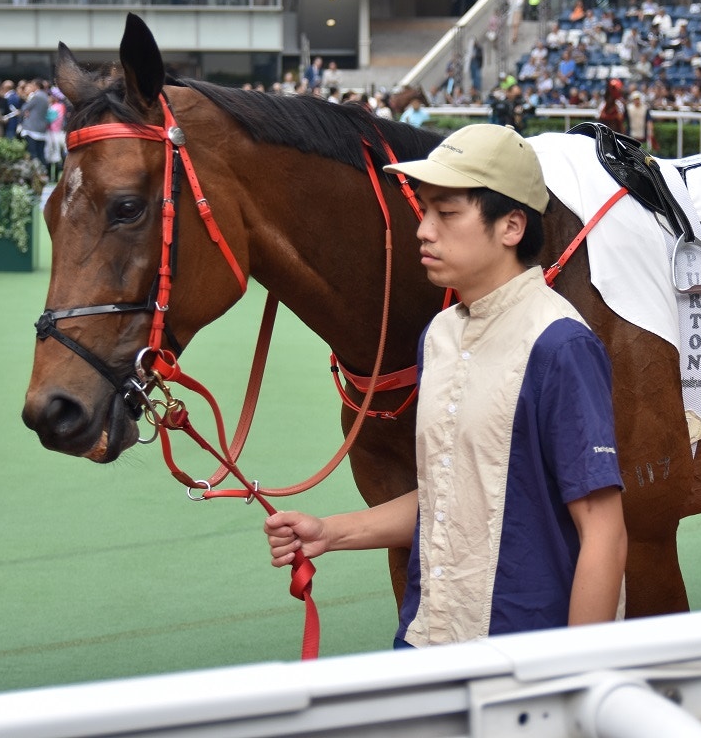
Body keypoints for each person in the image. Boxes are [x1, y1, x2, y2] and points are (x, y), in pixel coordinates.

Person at [264, 124, 626, 646]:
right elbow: (450, 495)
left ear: (511, 226)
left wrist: (572, 678)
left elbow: (605, 533)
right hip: (425, 640)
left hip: (519, 663)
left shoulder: (560, 345)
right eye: (425, 211)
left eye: (447, 213)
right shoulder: (440, 335)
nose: (424, 230)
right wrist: (331, 532)